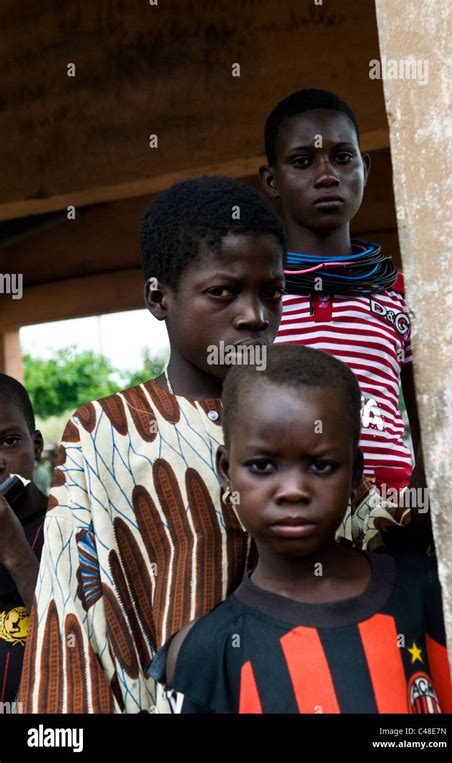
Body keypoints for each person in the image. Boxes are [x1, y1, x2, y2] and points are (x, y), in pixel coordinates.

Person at [18, 176, 286, 713]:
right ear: (158, 298)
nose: (255, 316)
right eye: (223, 292)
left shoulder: (299, 417)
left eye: (272, 293)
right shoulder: (106, 433)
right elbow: (69, 605)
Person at [149, 345, 452, 714]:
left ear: (355, 471)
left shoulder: (431, 592)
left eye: (321, 466)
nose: (293, 490)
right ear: (227, 472)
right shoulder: (205, 653)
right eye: (262, 466)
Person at [259, 89, 422, 503]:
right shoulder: (255, 295)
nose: (326, 175)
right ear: (271, 180)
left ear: (364, 168)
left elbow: (427, 415)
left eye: (342, 157)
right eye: (302, 161)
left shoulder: (400, 292)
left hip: (392, 513)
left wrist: (418, 505)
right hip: (288, 509)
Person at [0, 374, 47, 705]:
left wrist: (15, 552)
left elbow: (81, 637)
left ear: (38, 446)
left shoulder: (74, 527)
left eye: (10, 441)